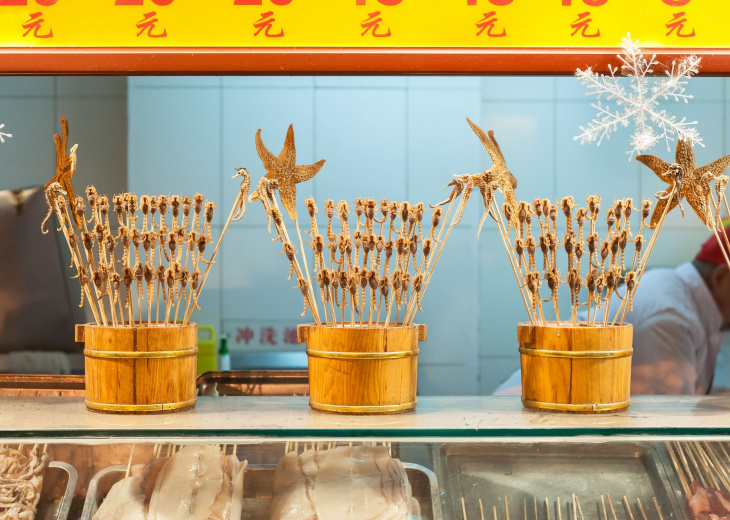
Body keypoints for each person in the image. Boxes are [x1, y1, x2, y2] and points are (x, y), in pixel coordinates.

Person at [495, 228, 730, 395]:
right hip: (529, 431)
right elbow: (666, 423)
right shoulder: (669, 317)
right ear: (722, 277)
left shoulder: (679, 296)